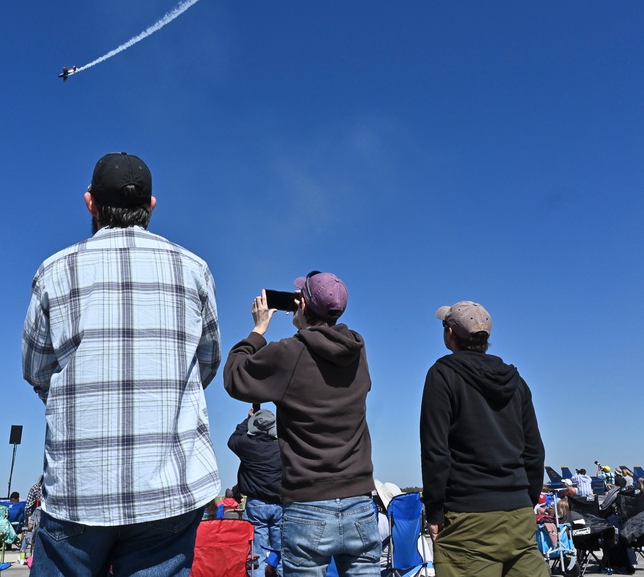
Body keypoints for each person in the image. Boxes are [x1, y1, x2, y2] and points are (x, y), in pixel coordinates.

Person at [23, 152, 221, 577]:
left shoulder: (54, 271)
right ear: (151, 207)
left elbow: (37, 370)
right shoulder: (195, 269)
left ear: (90, 203)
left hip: (79, 486)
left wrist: (77, 397)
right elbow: (205, 365)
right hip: (167, 488)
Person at [224, 272, 380, 576]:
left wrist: (258, 330)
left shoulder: (289, 352)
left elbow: (234, 377)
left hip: (308, 504)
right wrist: (306, 312)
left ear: (303, 303)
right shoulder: (357, 352)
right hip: (360, 502)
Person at [419, 301, 547, 577]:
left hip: (468, 519)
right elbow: (534, 451)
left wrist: (434, 511)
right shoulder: (516, 381)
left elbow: (435, 452)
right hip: (520, 516)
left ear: (450, 334)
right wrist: (527, 498)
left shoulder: (442, 375)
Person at [228, 406, 283, 577]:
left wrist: (247, 420)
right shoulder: (282, 447)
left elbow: (233, 440)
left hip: (256, 504)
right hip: (280, 504)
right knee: (282, 551)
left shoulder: (246, 445)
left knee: (256, 553)